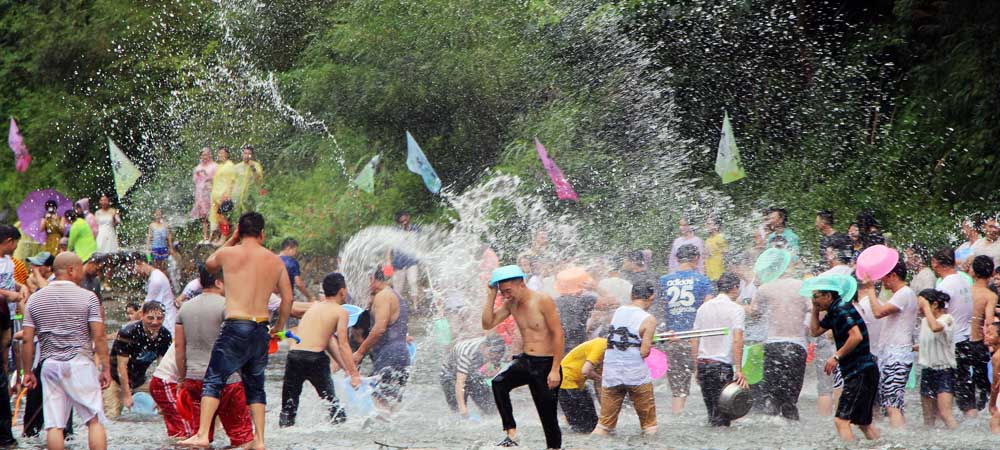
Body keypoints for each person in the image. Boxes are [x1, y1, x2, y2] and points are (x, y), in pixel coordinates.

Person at [180, 212, 293, 450]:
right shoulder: (275, 261)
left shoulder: (228, 253)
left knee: (214, 378)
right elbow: (288, 298)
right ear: (262, 233)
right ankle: (260, 440)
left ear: (240, 232)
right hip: (261, 327)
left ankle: (202, 434)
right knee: (255, 384)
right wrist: (279, 327)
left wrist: (231, 239)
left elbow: (209, 264)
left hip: (236, 324)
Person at [21, 252, 109, 450]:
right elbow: (99, 336)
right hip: (80, 363)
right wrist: (106, 368)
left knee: (54, 425)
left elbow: (27, 338)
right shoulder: (89, 297)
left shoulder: (36, 299)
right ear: (71, 270)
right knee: (94, 420)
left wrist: (27, 372)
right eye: (79, 269)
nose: (82, 274)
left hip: (50, 364)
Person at [482, 265, 564, 449]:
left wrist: (555, 369)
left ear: (521, 283)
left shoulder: (542, 300)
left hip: (546, 363)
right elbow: (487, 323)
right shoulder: (511, 304)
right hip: (526, 360)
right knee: (499, 383)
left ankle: (554, 448)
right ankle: (511, 433)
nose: (506, 295)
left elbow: (558, 334)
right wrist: (491, 295)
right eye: (502, 292)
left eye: (508, 291)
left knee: (547, 416)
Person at [174, 265, 253, 447]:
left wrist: (181, 377)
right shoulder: (228, 307)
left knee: (201, 436)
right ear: (219, 282)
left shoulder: (185, 309)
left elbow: (179, 347)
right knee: (243, 438)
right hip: (227, 381)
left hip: (194, 379)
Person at [280, 272, 362, 427]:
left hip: (294, 356)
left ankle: (284, 430)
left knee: (288, 407)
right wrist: (354, 374)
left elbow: (330, 342)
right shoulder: (341, 312)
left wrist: (346, 368)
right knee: (331, 402)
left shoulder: (314, 307)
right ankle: (342, 428)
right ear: (342, 291)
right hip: (314, 359)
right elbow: (343, 344)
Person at [807, 274, 880, 442]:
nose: (814, 299)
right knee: (863, 423)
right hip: (864, 371)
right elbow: (815, 331)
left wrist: (836, 357)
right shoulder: (834, 311)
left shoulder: (841, 309)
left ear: (828, 295)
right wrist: (815, 309)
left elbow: (856, 336)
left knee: (841, 420)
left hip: (860, 371)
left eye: (816, 296)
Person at [750, 248, 809, 420]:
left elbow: (754, 313)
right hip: (796, 345)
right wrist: (805, 328)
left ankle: (771, 434)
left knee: (771, 397)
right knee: (790, 400)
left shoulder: (765, 288)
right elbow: (813, 310)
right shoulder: (802, 286)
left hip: (773, 344)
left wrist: (757, 287)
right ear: (787, 266)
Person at [593, 279, 658, 436]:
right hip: (636, 374)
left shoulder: (619, 311)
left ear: (631, 295)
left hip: (612, 372)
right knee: (649, 426)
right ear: (651, 297)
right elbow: (644, 352)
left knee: (604, 426)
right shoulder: (649, 319)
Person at [657, 244, 713, 413]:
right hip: (696, 340)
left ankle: (677, 414)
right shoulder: (702, 280)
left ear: (676, 259)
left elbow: (659, 309)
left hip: (672, 338)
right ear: (696, 259)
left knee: (678, 390)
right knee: (707, 385)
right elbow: (708, 309)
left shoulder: (664, 281)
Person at [861, 260, 917, 429]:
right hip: (894, 355)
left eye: (884, 277)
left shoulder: (904, 293)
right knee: (894, 404)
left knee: (892, 405)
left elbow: (878, 312)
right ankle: (901, 438)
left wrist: (870, 290)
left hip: (897, 356)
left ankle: (899, 441)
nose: (882, 282)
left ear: (893, 275)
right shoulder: (903, 294)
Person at [352, 267, 411, 412]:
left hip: (389, 354)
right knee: (391, 406)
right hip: (401, 354)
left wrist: (359, 353)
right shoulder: (396, 295)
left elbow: (379, 329)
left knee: (377, 401)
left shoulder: (383, 296)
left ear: (372, 278)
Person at [692, 273, 747, 427]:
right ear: (735, 288)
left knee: (712, 413)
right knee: (723, 416)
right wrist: (739, 369)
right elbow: (737, 339)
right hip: (721, 367)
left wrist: (696, 367)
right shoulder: (736, 309)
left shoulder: (703, 308)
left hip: (703, 365)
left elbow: (695, 339)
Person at [930, 247, 978, 416]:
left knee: (945, 389)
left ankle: (949, 426)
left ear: (935, 263)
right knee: (965, 389)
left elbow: (939, 316)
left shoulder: (944, 285)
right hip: (965, 339)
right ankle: (972, 424)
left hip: (950, 343)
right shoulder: (964, 281)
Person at [104, 301, 171, 419]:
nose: (155, 322)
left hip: (140, 381)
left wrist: (161, 395)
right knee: (112, 416)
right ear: (142, 315)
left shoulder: (165, 336)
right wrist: (126, 394)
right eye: (150, 318)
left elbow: (162, 368)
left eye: (159, 318)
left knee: (165, 408)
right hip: (116, 380)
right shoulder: (128, 332)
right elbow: (121, 366)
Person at [914, 288, 959, 429]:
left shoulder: (947, 319)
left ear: (934, 305)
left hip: (945, 371)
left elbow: (935, 328)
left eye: (921, 305)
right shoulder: (924, 321)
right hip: (928, 370)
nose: (920, 309)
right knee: (928, 418)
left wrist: (926, 307)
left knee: (945, 414)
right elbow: (929, 342)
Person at [961, 255, 997, 416]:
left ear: (973, 272)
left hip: (961, 343)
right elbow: (989, 322)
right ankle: (985, 412)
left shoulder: (964, 291)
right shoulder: (990, 296)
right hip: (978, 344)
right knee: (983, 385)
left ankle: (968, 413)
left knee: (963, 383)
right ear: (991, 274)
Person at [0, 225, 26, 446]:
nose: (16, 247)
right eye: (15, 243)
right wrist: (10, 294)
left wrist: (20, 286)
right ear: (8, 241)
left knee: (9, 347)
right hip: (1, 311)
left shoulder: (9, 261)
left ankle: (8, 383)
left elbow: (9, 281)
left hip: (7, 316)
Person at [441, 334, 506, 418]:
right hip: (450, 375)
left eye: (498, 354)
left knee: (491, 408)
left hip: (472, 373)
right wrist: (462, 407)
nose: (495, 357)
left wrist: (491, 372)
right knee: (458, 412)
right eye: (492, 354)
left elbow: (496, 366)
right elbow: (460, 382)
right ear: (483, 347)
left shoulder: (495, 347)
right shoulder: (467, 353)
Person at [558, 337, 606, 433]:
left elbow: (598, 385)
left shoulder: (605, 355)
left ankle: (567, 420)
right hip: (565, 381)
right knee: (581, 426)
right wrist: (600, 378)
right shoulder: (601, 345)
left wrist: (605, 410)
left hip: (576, 384)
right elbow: (586, 371)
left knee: (593, 423)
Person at [148, 344, 191, 439]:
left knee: (176, 431)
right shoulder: (198, 333)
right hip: (167, 382)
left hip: (163, 382)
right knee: (187, 430)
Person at [554, 266, 598, 352]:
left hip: (558, 346)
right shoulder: (585, 300)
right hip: (579, 346)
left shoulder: (555, 301)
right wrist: (596, 288)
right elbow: (613, 302)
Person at [133, 252, 177, 334]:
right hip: (166, 322)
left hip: (168, 325)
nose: (135, 272)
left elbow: (144, 308)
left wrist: (132, 319)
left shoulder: (156, 280)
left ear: (139, 263)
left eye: (134, 268)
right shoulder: (156, 275)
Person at [389, 211, 422, 311]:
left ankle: (416, 306)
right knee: (397, 289)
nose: (404, 223)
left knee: (413, 282)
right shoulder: (394, 231)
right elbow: (388, 249)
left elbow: (420, 244)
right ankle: (397, 309)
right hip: (398, 263)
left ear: (408, 217)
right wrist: (388, 267)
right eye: (401, 221)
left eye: (405, 220)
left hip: (412, 261)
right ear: (398, 222)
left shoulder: (415, 229)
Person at [190, 147, 218, 244]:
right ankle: (205, 236)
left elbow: (217, 178)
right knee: (203, 216)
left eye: (206, 154)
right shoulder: (198, 167)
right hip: (200, 194)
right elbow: (195, 180)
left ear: (210, 155)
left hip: (211, 193)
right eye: (203, 155)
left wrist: (208, 178)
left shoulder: (214, 166)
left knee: (213, 214)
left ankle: (214, 236)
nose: (204, 157)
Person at [209, 146, 236, 243]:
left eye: (222, 153)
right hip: (215, 196)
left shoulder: (230, 165)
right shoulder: (218, 166)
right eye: (219, 153)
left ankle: (224, 238)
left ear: (227, 154)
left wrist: (228, 193)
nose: (220, 154)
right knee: (216, 217)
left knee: (222, 217)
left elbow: (232, 181)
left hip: (224, 196)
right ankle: (217, 236)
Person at [231, 145, 264, 218]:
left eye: (249, 154)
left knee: (249, 219)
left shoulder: (256, 165)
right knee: (237, 219)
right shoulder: (237, 167)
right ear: (242, 154)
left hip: (250, 197)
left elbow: (259, 180)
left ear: (252, 155)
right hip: (237, 197)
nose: (246, 156)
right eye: (245, 153)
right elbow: (232, 182)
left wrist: (253, 168)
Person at [147, 208, 173, 272]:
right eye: (157, 213)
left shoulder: (165, 225)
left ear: (162, 215)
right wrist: (148, 246)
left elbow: (169, 237)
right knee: (156, 266)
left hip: (163, 247)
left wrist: (171, 247)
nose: (158, 215)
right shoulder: (152, 225)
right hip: (155, 248)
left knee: (163, 266)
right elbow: (149, 236)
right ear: (154, 215)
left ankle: (164, 279)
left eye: (159, 213)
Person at [704, 216, 728, 281]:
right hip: (710, 276)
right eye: (706, 224)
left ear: (716, 226)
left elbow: (726, 255)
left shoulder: (721, 238)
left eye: (709, 224)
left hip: (719, 275)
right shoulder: (708, 240)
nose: (706, 226)